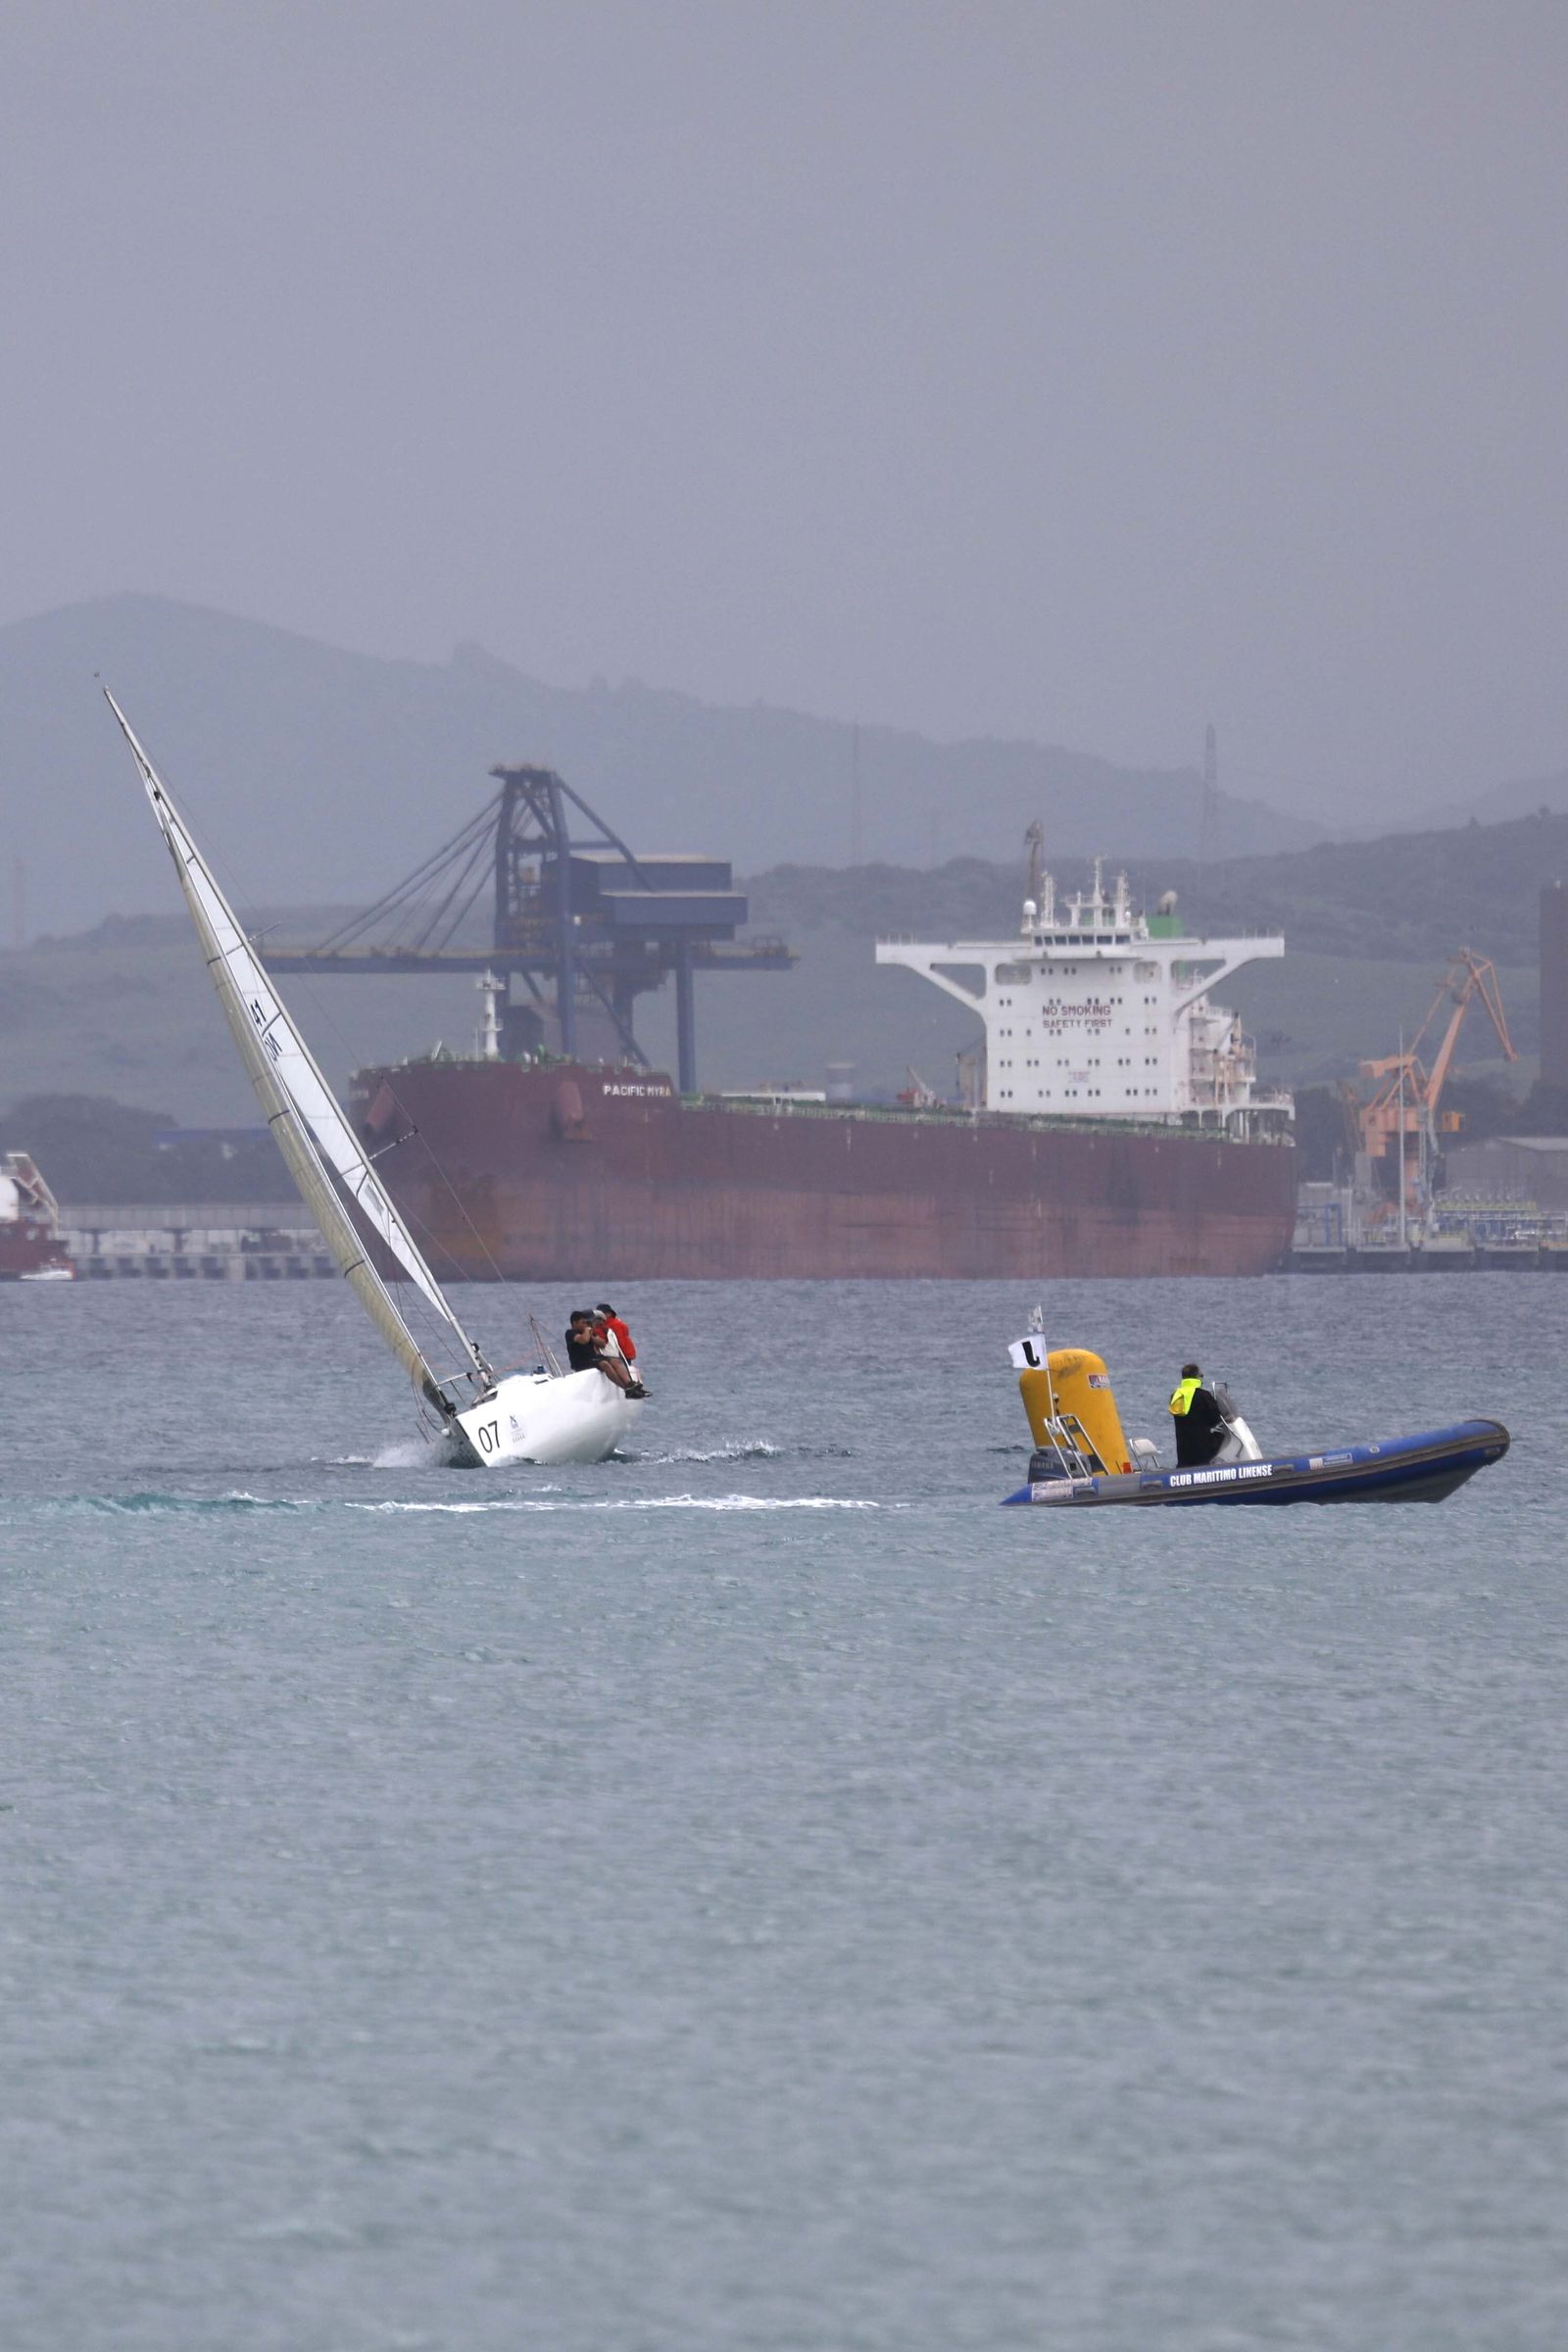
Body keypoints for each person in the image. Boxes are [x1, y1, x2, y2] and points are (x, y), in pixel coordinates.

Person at [564, 1309, 647, 1397]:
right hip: (581, 1362)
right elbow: (584, 1340)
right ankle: (625, 1388)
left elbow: (602, 1343)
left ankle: (629, 1383)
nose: (585, 1325)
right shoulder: (570, 1333)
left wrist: (591, 1335)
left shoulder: (588, 1332)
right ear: (574, 1323)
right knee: (604, 1364)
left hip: (593, 1359)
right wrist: (587, 1330)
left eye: (586, 1322)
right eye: (582, 1323)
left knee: (614, 1360)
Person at [1168, 1361, 1226, 1466]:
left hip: (1183, 1448)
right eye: (1201, 1376)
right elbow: (1215, 1419)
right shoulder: (1204, 1395)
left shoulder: (1176, 1396)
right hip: (1202, 1449)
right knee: (1221, 1436)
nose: (1202, 1378)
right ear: (1196, 1377)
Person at [595, 1301, 637, 1367]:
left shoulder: (614, 1325)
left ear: (609, 1314)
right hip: (626, 1353)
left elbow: (620, 1342)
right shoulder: (614, 1323)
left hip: (623, 1355)